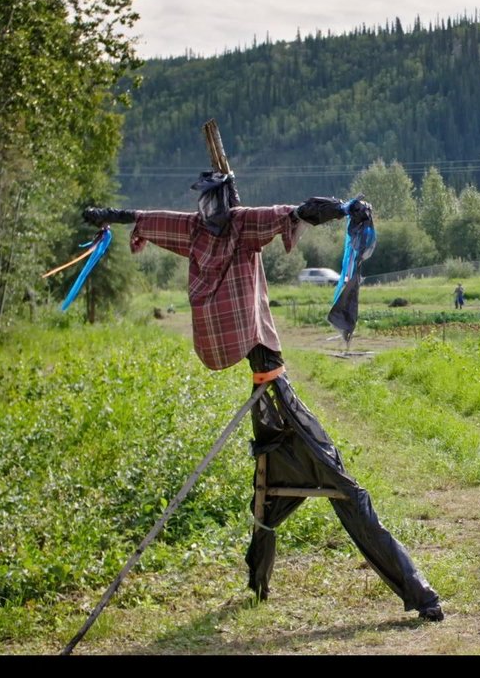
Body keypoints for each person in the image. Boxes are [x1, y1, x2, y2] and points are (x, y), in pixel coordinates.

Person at [82, 171, 444, 621]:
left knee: (342, 491)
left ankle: (418, 592)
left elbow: (294, 213)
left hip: (269, 376)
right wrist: (107, 215)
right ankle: (260, 583)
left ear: (227, 201)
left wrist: (342, 209)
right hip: (250, 370)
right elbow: (145, 217)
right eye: (204, 204)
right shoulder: (192, 230)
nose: (209, 212)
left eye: (215, 203)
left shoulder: (245, 224)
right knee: (276, 489)